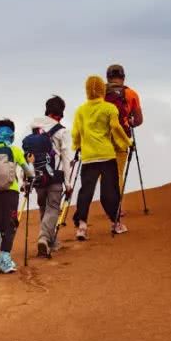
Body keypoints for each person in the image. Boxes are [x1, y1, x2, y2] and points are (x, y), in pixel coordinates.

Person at [72, 76, 131, 240]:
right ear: (102, 90)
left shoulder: (80, 110)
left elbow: (76, 133)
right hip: (106, 155)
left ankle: (82, 227)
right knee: (109, 191)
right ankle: (115, 223)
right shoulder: (109, 108)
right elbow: (115, 128)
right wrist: (128, 142)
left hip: (89, 157)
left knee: (86, 192)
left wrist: (77, 146)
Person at [0, 119, 34, 274]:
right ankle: (5, 260)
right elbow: (29, 173)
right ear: (12, 134)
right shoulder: (15, 150)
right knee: (10, 224)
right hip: (11, 191)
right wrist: (30, 163)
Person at [24, 95, 74, 257]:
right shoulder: (62, 131)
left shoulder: (32, 126)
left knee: (44, 208)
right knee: (53, 208)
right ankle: (44, 238)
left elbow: (25, 154)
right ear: (60, 113)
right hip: (55, 176)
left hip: (36, 175)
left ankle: (51, 241)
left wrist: (24, 179)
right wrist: (68, 182)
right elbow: (66, 158)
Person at [105, 63, 143, 198]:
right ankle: (116, 207)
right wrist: (130, 121)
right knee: (118, 173)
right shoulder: (131, 94)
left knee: (104, 173)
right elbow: (138, 120)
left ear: (108, 77)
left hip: (102, 138)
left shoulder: (99, 94)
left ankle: (109, 203)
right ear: (123, 77)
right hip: (122, 137)